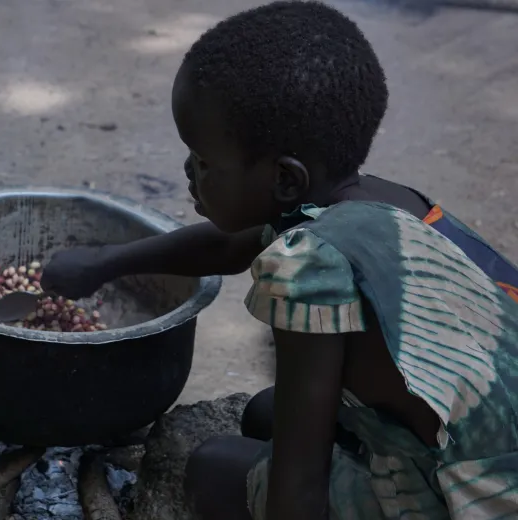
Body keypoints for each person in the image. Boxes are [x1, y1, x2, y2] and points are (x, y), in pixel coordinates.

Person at [41, 2, 518, 519]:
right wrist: (104, 262)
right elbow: (228, 246)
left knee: (215, 467)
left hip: (489, 492)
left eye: (203, 162)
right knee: (263, 413)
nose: (187, 170)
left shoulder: (309, 270)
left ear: (286, 180)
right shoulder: (379, 201)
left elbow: (298, 490)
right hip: (490, 434)